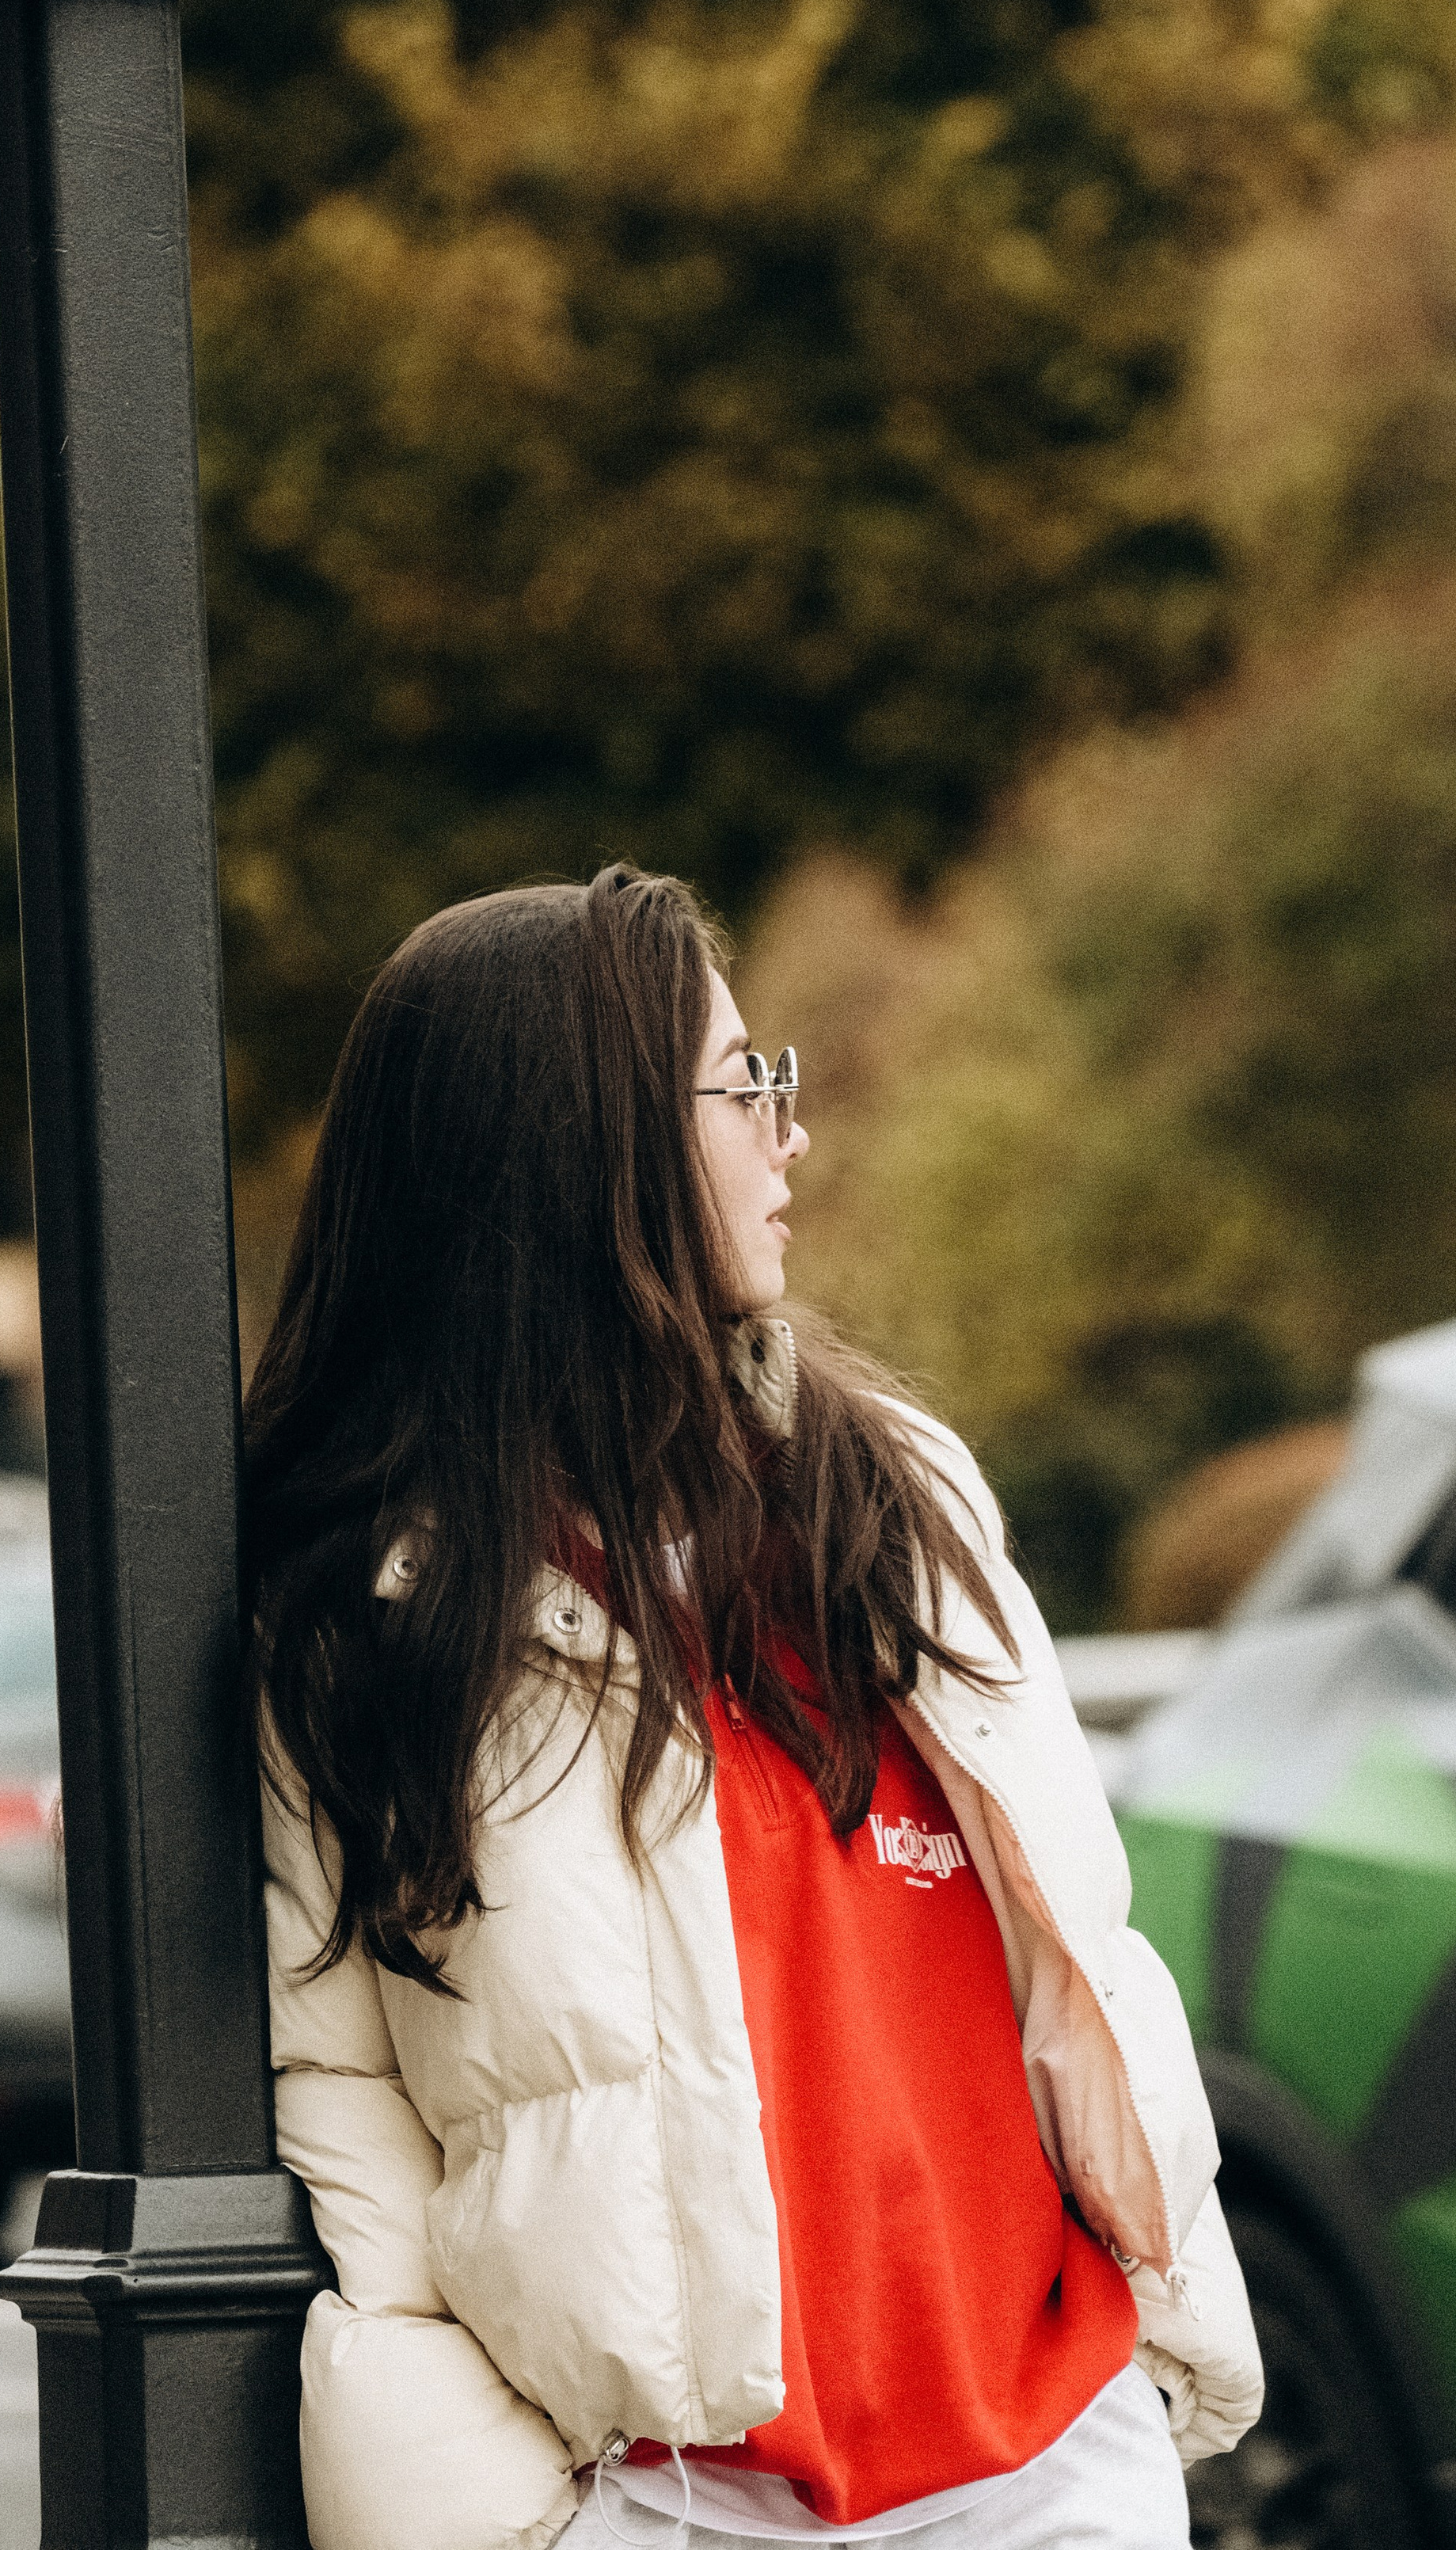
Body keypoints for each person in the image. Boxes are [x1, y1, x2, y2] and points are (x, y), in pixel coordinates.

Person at [246, 866, 1262, 2550]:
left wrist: (1141, 2382)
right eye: (742, 1088)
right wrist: (530, 2520)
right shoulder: (373, 1618)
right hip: (677, 2502)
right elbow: (343, 2113)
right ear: (594, 1153)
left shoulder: (896, 1501)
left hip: (1048, 2467)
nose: (791, 1139)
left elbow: (1077, 1957)